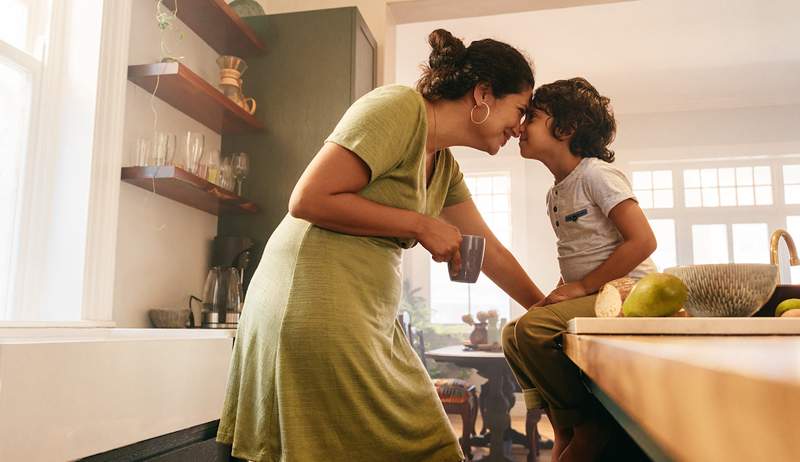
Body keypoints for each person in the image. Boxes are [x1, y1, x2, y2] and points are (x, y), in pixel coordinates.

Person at [216, 29, 545, 462]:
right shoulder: (398, 108)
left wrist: (545, 310)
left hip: (366, 314)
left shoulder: (443, 165)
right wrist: (421, 225)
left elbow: (491, 251)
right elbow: (307, 199)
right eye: (519, 109)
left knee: (424, 440)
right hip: (313, 299)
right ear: (483, 93)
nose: (519, 128)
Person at [502, 77, 657, 462]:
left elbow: (643, 241)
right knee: (512, 332)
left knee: (534, 328)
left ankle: (590, 425)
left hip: (628, 293)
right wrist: (561, 290)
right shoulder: (556, 193)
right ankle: (563, 425)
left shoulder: (595, 175)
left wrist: (582, 285)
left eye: (532, 117)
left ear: (566, 129)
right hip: (593, 291)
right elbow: (576, 253)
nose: (520, 126)